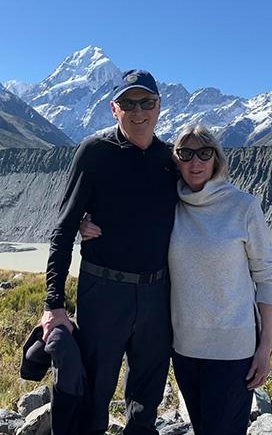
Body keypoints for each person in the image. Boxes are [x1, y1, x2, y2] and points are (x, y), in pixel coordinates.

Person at [81, 124, 272, 435]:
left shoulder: (243, 206)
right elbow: (131, 213)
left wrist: (265, 348)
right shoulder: (170, 203)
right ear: (175, 161)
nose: (195, 162)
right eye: (185, 154)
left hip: (232, 351)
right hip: (185, 349)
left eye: (204, 153)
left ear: (216, 159)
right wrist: (85, 219)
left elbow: (265, 278)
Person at [41, 69, 179, 435]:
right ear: (113, 109)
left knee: (146, 399)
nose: (139, 112)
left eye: (146, 102)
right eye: (128, 103)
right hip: (103, 292)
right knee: (93, 396)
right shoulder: (94, 152)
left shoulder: (171, 159)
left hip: (157, 295)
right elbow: (64, 228)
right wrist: (53, 303)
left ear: (159, 107)